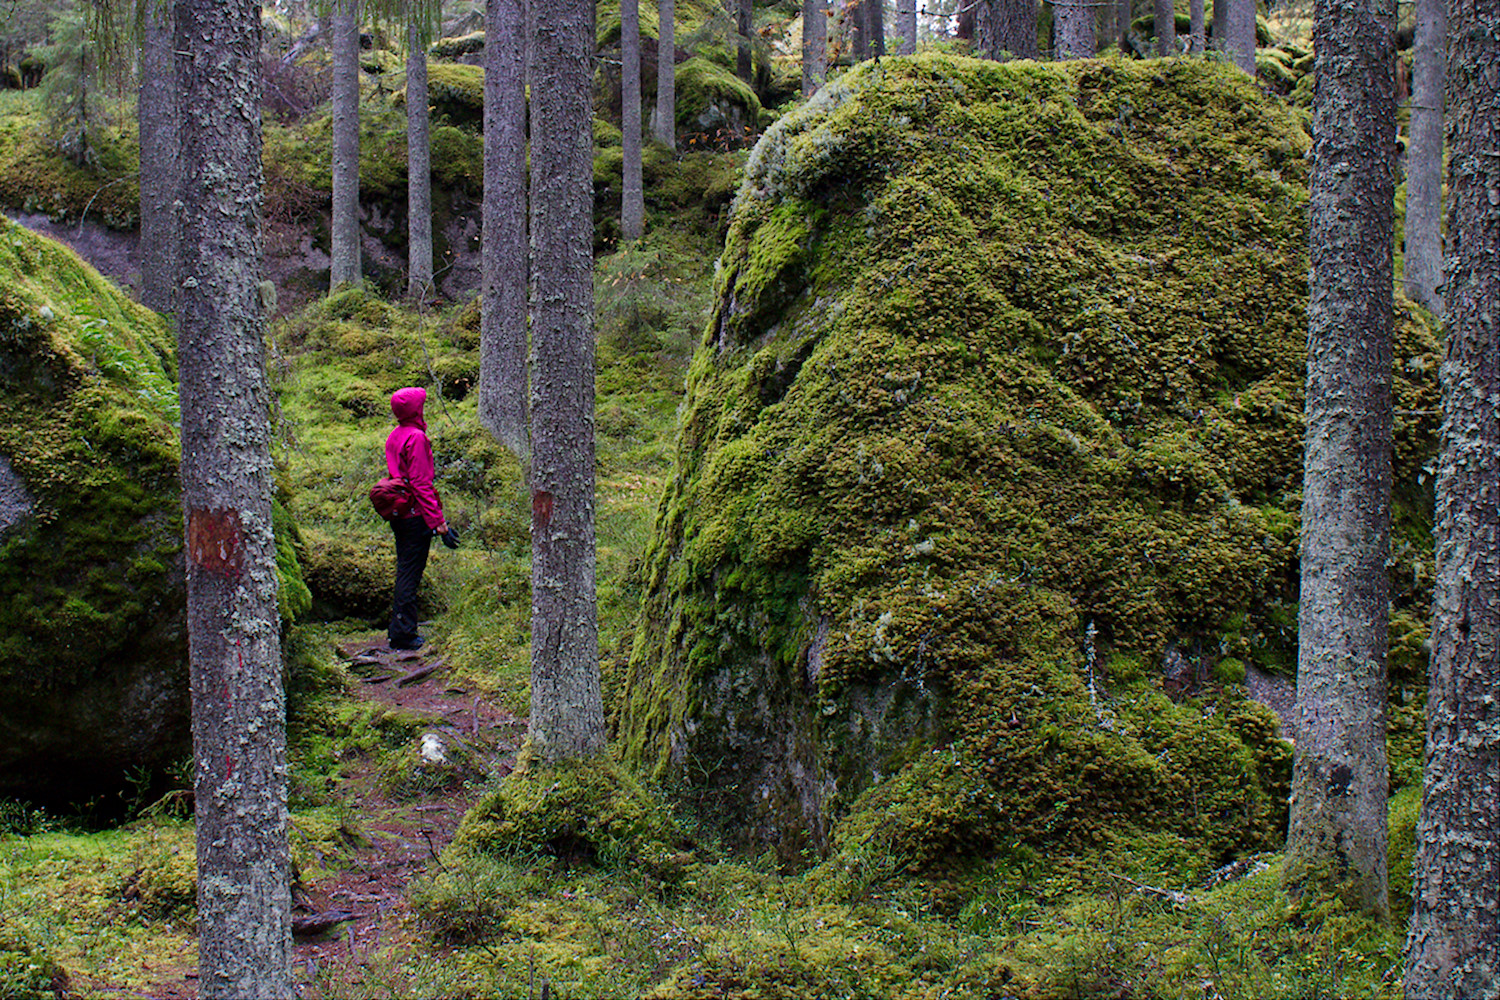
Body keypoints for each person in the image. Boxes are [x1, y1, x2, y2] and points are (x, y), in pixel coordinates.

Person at [384, 387, 456, 650]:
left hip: (400, 513)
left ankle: (400, 629)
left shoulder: (395, 435)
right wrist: (439, 524)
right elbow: (421, 484)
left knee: (405, 569)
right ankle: (404, 634)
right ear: (416, 410)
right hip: (414, 515)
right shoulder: (416, 438)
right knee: (410, 574)